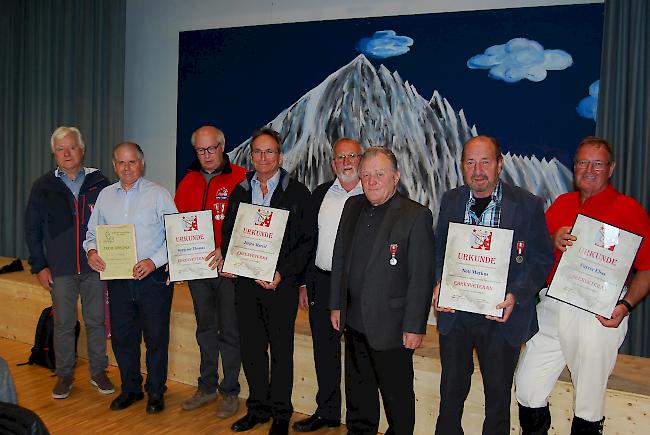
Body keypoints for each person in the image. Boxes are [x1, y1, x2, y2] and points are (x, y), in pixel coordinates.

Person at [515, 136, 650, 434]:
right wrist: (551, 240)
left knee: (588, 401)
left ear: (611, 168)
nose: (588, 169)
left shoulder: (629, 210)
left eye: (597, 163)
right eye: (582, 162)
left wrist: (625, 306)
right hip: (553, 303)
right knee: (527, 387)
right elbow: (534, 253)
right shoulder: (562, 204)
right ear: (575, 166)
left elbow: (647, 269)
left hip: (597, 312)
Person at [433, 135, 554, 435]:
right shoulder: (451, 200)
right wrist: (439, 284)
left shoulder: (527, 204)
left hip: (502, 317)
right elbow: (439, 251)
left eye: (485, 161)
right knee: (449, 395)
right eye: (470, 162)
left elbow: (541, 258)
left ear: (500, 163)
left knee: (498, 402)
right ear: (462, 166)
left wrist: (517, 294)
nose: (478, 170)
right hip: (456, 313)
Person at [329, 146, 435, 435]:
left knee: (397, 401)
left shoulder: (416, 216)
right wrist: (336, 304)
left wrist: (415, 326)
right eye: (366, 175)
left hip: (393, 328)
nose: (372, 180)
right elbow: (340, 258)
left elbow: (421, 278)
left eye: (379, 174)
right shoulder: (351, 207)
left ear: (395, 177)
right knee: (359, 399)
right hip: (353, 322)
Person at [221, 127, 312, 435]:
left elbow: (306, 242)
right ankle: (257, 409)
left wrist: (282, 273)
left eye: (269, 151)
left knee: (281, 352)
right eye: (257, 152)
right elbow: (229, 233)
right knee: (251, 349)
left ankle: (281, 414)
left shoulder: (297, 192)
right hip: (245, 285)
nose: (262, 157)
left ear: (280, 155)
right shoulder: (240, 191)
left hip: (279, 287)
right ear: (252, 156)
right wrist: (227, 258)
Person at [84, 142, 177, 414]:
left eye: (132, 162)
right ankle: (131, 389)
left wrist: (153, 261)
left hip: (153, 279)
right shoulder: (105, 196)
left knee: (156, 338)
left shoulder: (159, 195)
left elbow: (175, 236)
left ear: (142, 163)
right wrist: (91, 252)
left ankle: (156, 391)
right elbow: (92, 234)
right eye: (121, 163)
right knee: (124, 338)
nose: (126, 168)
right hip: (118, 279)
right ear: (114, 165)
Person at [24, 126, 114, 399]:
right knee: (64, 323)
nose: (67, 153)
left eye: (72, 147)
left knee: (96, 321)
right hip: (60, 269)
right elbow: (32, 229)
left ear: (82, 150)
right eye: (61, 148)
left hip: (95, 267)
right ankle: (64, 375)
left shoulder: (100, 183)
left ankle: (99, 371)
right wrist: (39, 265)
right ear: (54, 153)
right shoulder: (43, 186)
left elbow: (113, 222)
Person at [174, 125, 247, 417]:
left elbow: (248, 225)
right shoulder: (187, 182)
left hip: (228, 271)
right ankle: (206, 386)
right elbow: (179, 225)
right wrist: (176, 260)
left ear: (222, 146)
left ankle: (229, 391)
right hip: (197, 271)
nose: (207, 155)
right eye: (201, 150)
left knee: (230, 330)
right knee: (205, 329)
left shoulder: (241, 178)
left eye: (212, 148)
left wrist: (226, 252)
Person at [293, 138, 364, 432]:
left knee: (359, 354)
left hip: (359, 287)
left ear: (362, 159)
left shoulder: (373, 194)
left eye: (352, 156)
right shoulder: (321, 194)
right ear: (332, 163)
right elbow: (309, 241)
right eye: (340, 157)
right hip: (321, 282)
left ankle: (360, 421)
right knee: (324, 350)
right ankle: (328, 412)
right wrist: (303, 283)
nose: (346, 162)